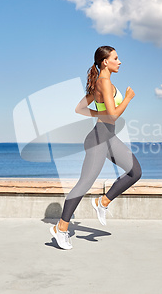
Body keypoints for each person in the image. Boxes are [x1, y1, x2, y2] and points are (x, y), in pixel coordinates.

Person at [49, 46, 142, 250]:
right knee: (84, 184)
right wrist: (127, 98)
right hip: (99, 139)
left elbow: (79, 108)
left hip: (109, 137)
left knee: (135, 172)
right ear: (105, 62)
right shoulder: (104, 82)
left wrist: (99, 115)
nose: (119, 61)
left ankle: (103, 202)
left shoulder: (102, 83)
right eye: (116, 58)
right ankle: (60, 229)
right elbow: (113, 115)